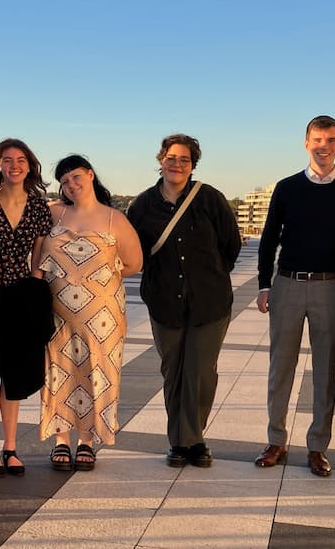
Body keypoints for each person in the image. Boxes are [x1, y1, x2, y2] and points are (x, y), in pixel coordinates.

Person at [255, 115, 335, 477]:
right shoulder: (286, 188)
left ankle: (318, 446)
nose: (323, 146)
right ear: (306, 143)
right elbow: (269, 237)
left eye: (330, 140)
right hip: (286, 284)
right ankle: (276, 440)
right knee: (280, 366)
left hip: (330, 286)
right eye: (317, 139)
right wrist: (264, 284)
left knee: (325, 372)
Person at [126, 134, 241, 468]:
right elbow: (133, 250)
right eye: (171, 158)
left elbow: (231, 246)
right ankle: (183, 442)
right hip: (164, 302)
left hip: (210, 302)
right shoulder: (143, 204)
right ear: (161, 160)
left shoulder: (210, 199)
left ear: (193, 165)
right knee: (173, 372)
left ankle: (190, 440)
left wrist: (210, 275)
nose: (177, 164)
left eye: (184, 160)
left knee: (201, 372)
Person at [37, 155, 143, 471]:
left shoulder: (114, 219)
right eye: (65, 181)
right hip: (57, 314)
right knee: (59, 372)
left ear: (90, 175)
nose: (71, 185)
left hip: (103, 316)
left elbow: (135, 263)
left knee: (96, 373)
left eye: (76, 177)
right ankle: (61, 441)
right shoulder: (53, 213)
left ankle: (86, 440)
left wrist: (96, 280)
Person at [0, 139, 53, 477]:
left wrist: (34, 282)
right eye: (7, 160)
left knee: (15, 373)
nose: (14, 165)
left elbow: (38, 254)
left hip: (21, 294)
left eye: (21, 159)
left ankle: (11, 446)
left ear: (29, 166)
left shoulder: (38, 207)